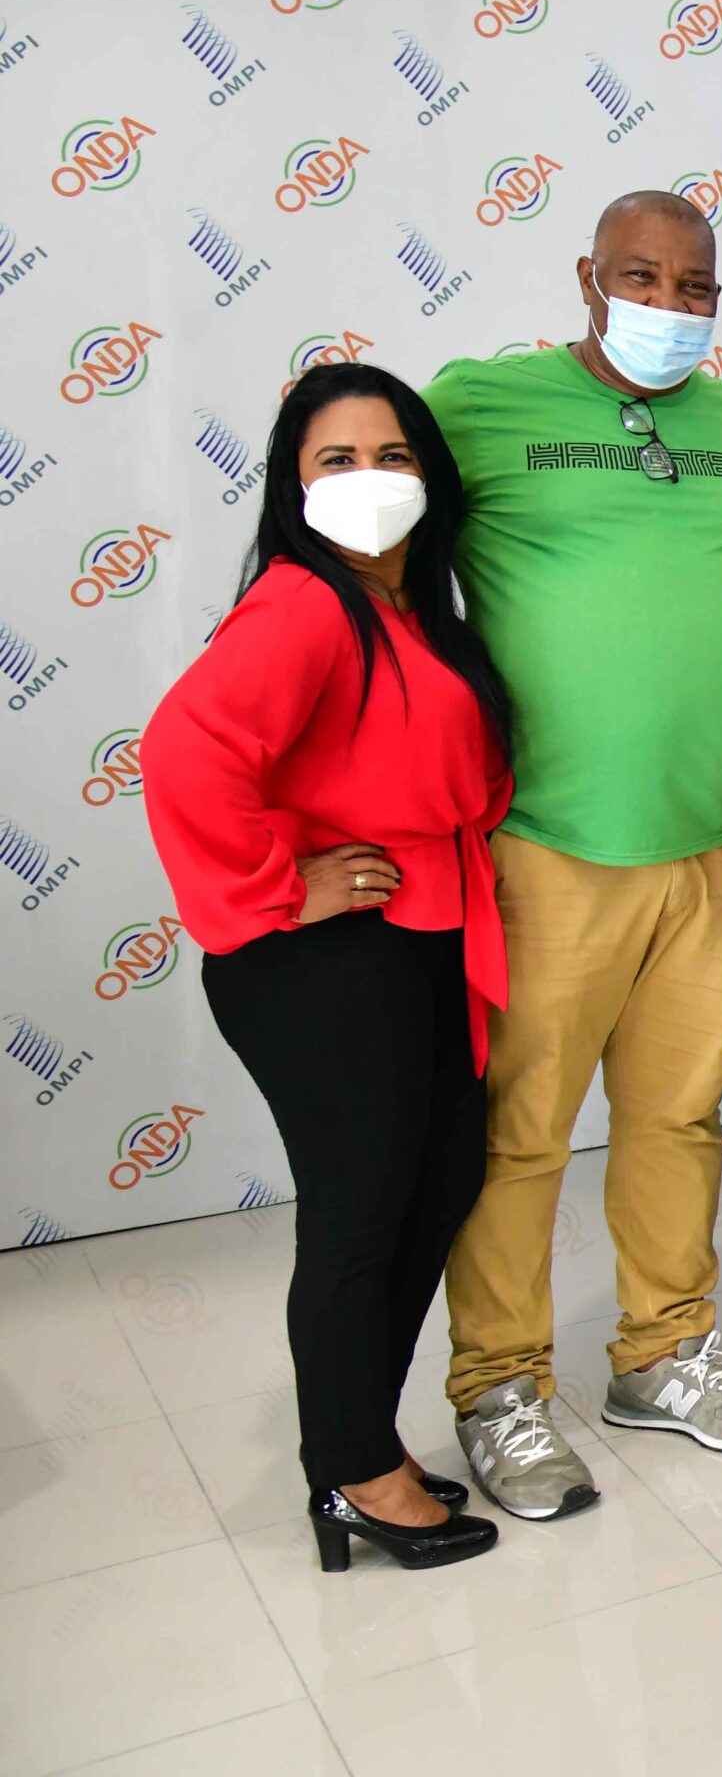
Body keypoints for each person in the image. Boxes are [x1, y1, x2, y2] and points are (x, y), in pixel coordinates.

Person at [429, 191, 722, 1520]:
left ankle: (661, 1354)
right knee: (519, 1138)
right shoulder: (478, 404)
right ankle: (499, 1389)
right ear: (588, 277)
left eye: (694, 288)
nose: (668, 307)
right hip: (550, 847)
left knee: (678, 1118)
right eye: (642, 278)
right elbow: (370, 561)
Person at [142, 366, 511, 1572]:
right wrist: (277, 889)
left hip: (418, 938)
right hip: (328, 958)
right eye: (336, 460)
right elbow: (183, 752)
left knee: (434, 1183)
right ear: (292, 487)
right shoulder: (305, 603)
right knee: (362, 1211)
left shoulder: (413, 614)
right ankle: (352, 1472)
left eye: (392, 456)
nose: (369, 480)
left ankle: (361, 1441)